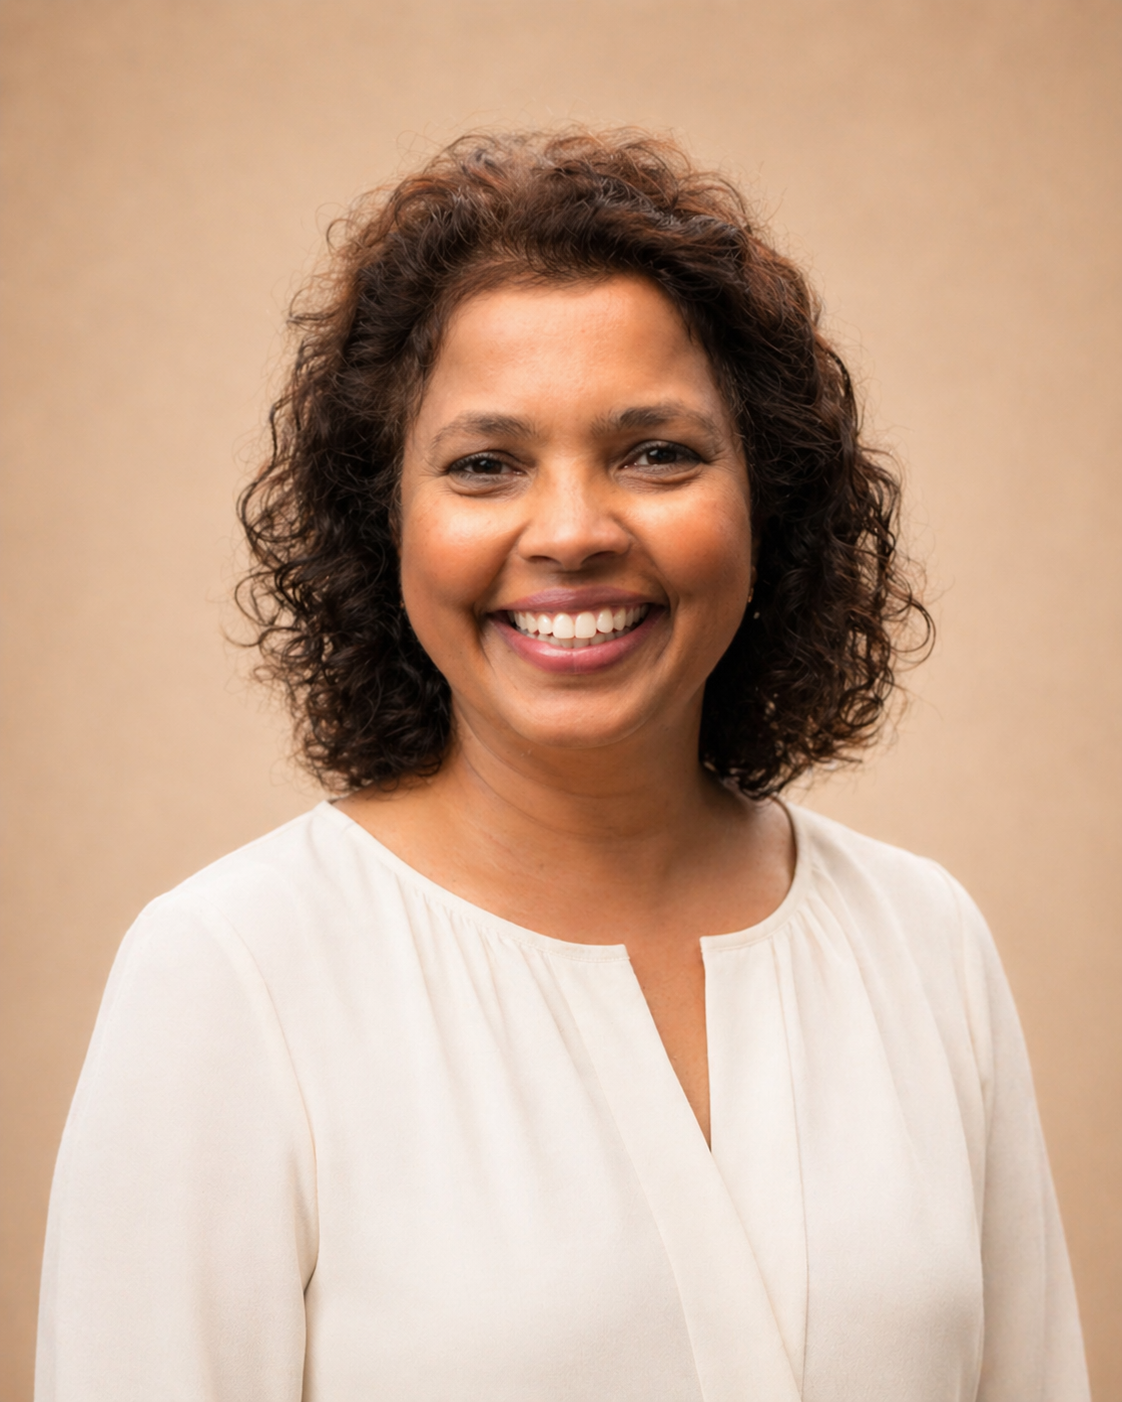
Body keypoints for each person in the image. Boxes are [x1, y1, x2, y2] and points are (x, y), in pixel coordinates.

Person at [36, 130, 1089, 1401]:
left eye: (658, 452)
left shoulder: (925, 944)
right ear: (387, 527)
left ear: (770, 497)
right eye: (486, 465)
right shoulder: (235, 973)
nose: (577, 530)